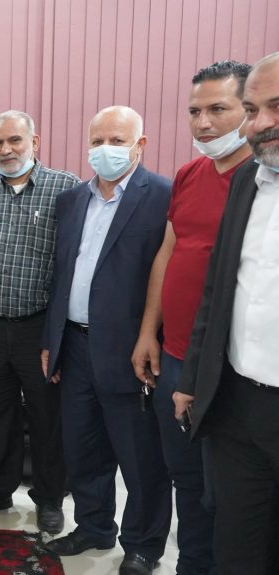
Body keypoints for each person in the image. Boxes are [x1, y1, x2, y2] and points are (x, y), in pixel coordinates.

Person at [130, 60, 252, 575]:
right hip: (175, 355)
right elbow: (169, 252)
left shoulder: (261, 181)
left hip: (230, 366)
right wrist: (148, 333)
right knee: (185, 477)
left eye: (217, 109)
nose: (203, 123)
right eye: (194, 111)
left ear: (250, 110)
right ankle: (192, 565)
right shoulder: (188, 174)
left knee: (227, 491)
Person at [40, 106, 172, 575]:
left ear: (140, 145)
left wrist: (150, 337)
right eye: (97, 141)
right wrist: (52, 341)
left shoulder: (163, 197)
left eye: (117, 140)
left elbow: (167, 275)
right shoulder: (73, 200)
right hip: (74, 346)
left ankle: (143, 545)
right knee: (83, 448)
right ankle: (94, 526)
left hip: (129, 349)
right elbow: (61, 275)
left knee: (140, 457)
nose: (105, 149)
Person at [175, 52, 279, 574]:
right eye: (254, 110)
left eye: (276, 108)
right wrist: (194, 378)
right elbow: (217, 292)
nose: (259, 125)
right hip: (236, 399)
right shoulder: (248, 181)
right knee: (237, 544)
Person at [0, 110, 76, 530]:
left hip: (40, 328)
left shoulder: (65, 189)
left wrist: (58, 335)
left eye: (14, 140)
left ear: (35, 142)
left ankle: (49, 498)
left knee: (48, 418)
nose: (5, 149)